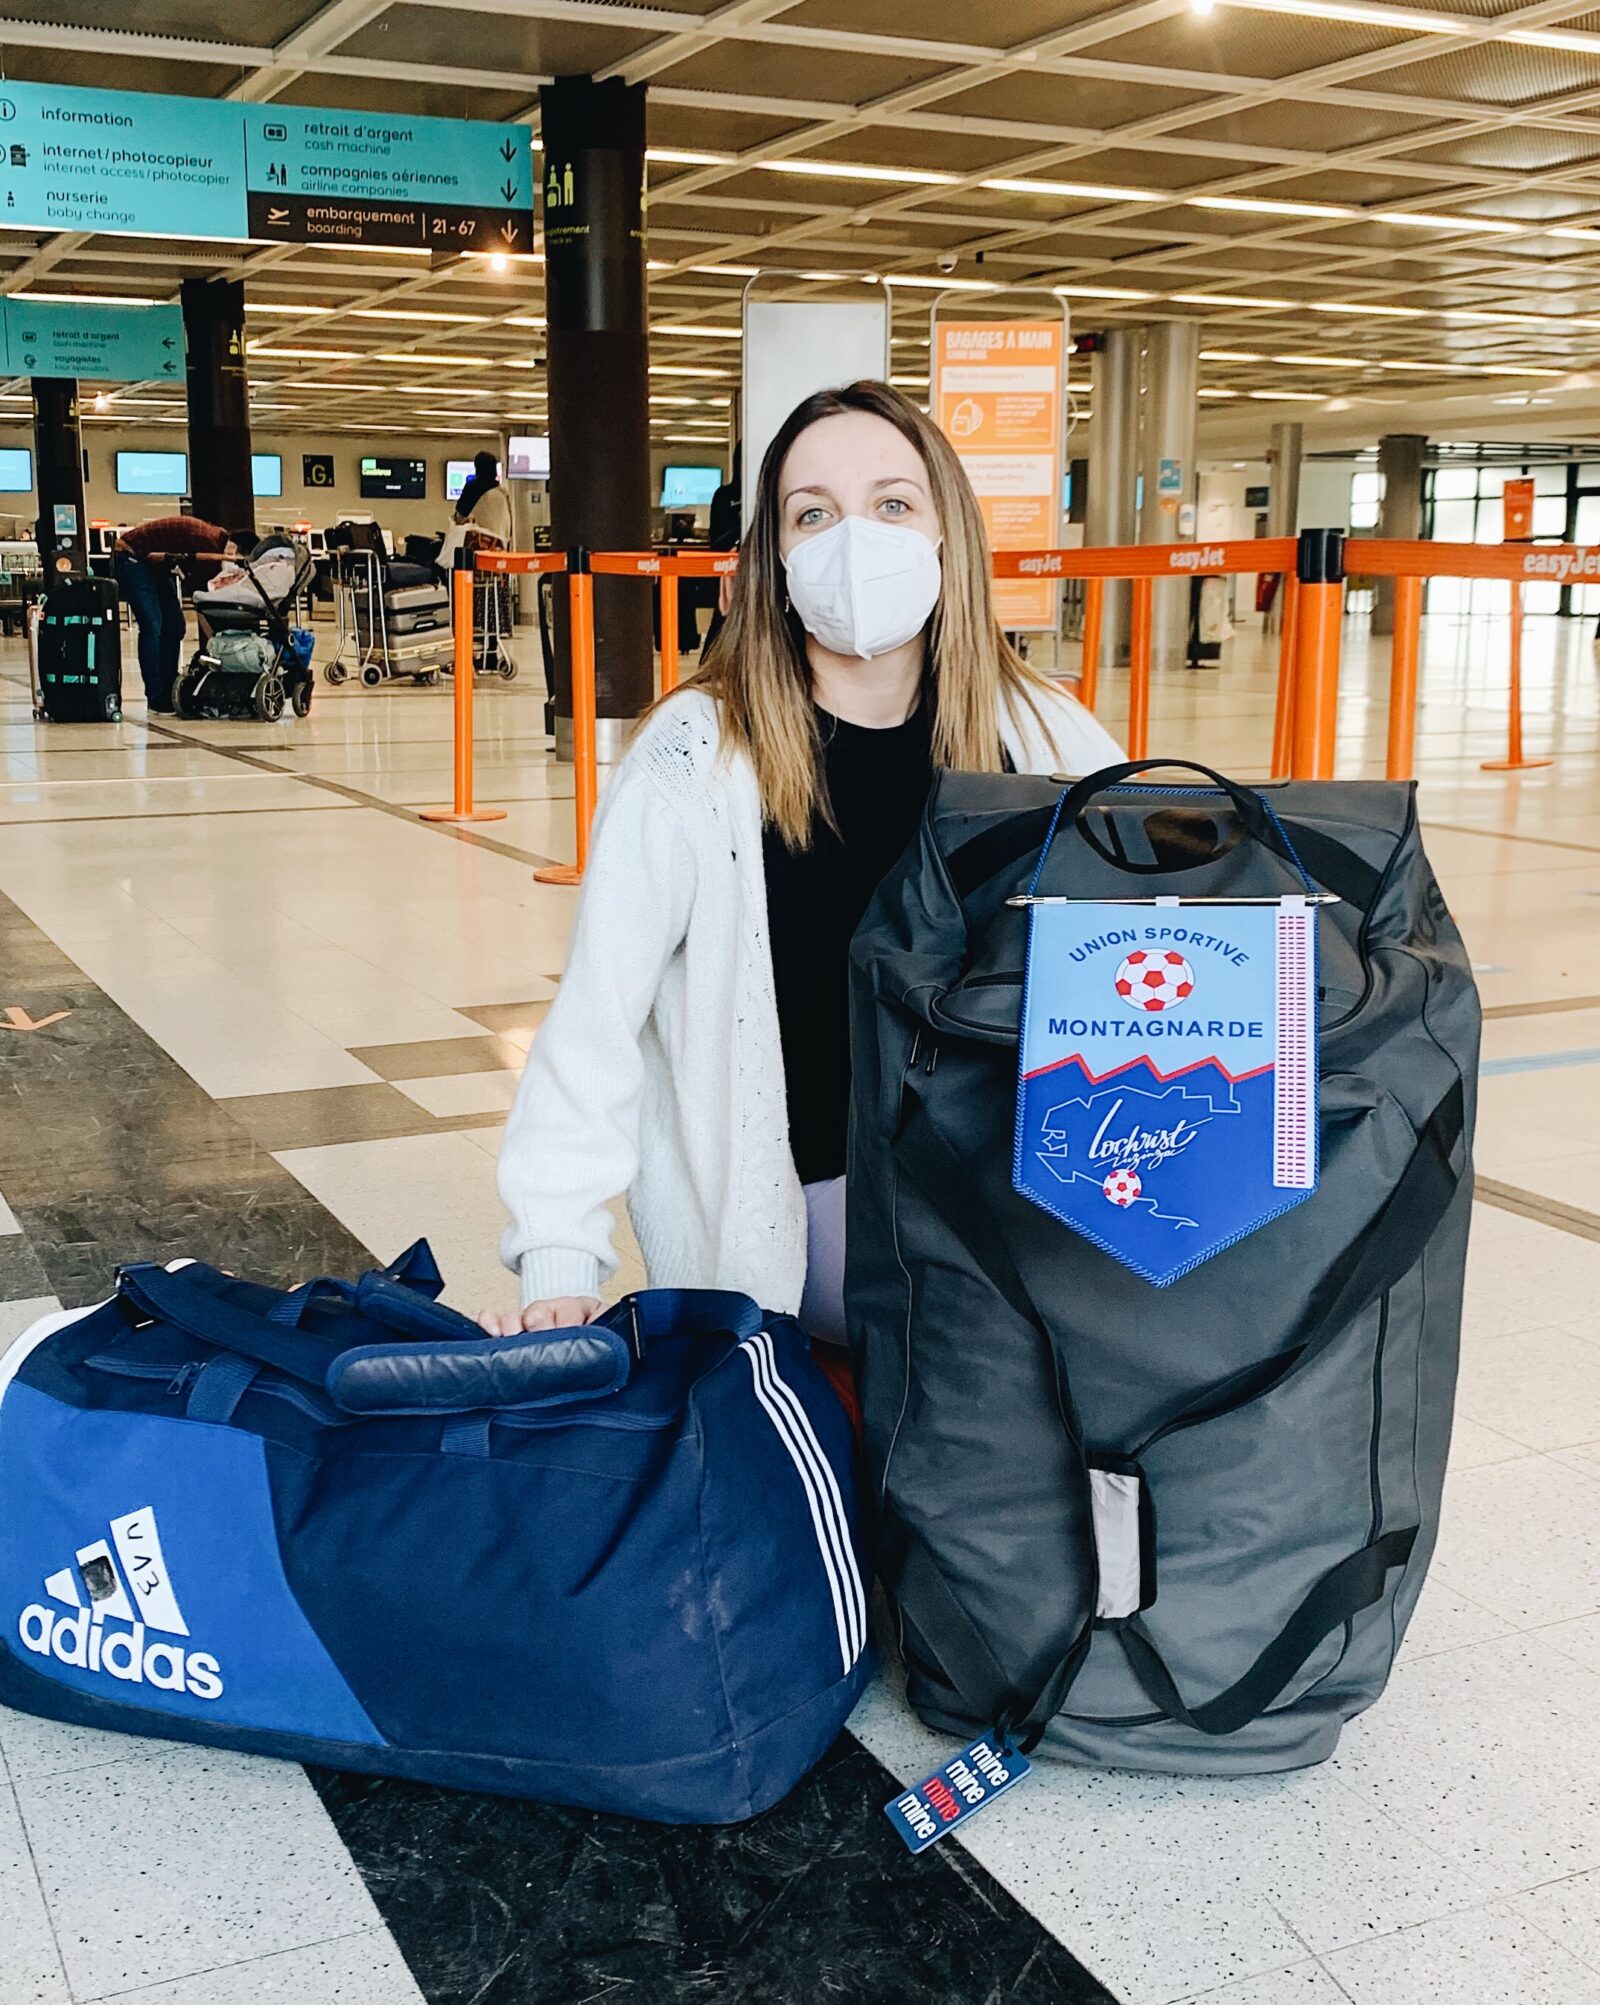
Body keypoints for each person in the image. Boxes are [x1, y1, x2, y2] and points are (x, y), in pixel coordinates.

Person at [481, 379, 1121, 1343]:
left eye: (893, 504)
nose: (854, 540)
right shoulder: (699, 753)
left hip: (1024, 1170)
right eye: (813, 514)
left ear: (948, 534)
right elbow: (596, 1020)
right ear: (774, 561)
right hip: (821, 1214)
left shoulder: (1042, 733)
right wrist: (557, 1263)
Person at [113, 516, 236, 712]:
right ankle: (156, 695)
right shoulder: (210, 547)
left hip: (155, 565)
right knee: (152, 626)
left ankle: (170, 687)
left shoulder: (216, 538)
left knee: (175, 625)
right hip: (133, 556)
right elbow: (201, 595)